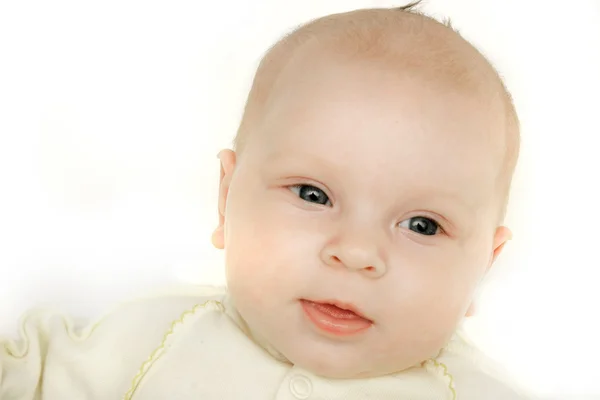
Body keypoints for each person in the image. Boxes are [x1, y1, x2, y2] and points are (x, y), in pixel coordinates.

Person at [0, 3, 534, 399]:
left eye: (422, 225)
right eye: (313, 194)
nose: (354, 252)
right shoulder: (147, 339)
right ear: (226, 199)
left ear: (483, 265)